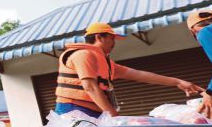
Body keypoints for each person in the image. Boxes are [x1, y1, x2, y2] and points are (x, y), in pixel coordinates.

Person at [54, 22, 202, 118]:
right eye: (112, 39)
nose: (114, 43)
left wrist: (177, 82)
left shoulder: (107, 63)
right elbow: (90, 87)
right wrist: (113, 116)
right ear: (100, 37)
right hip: (73, 110)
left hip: (96, 113)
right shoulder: (83, 54)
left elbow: (140, 75)